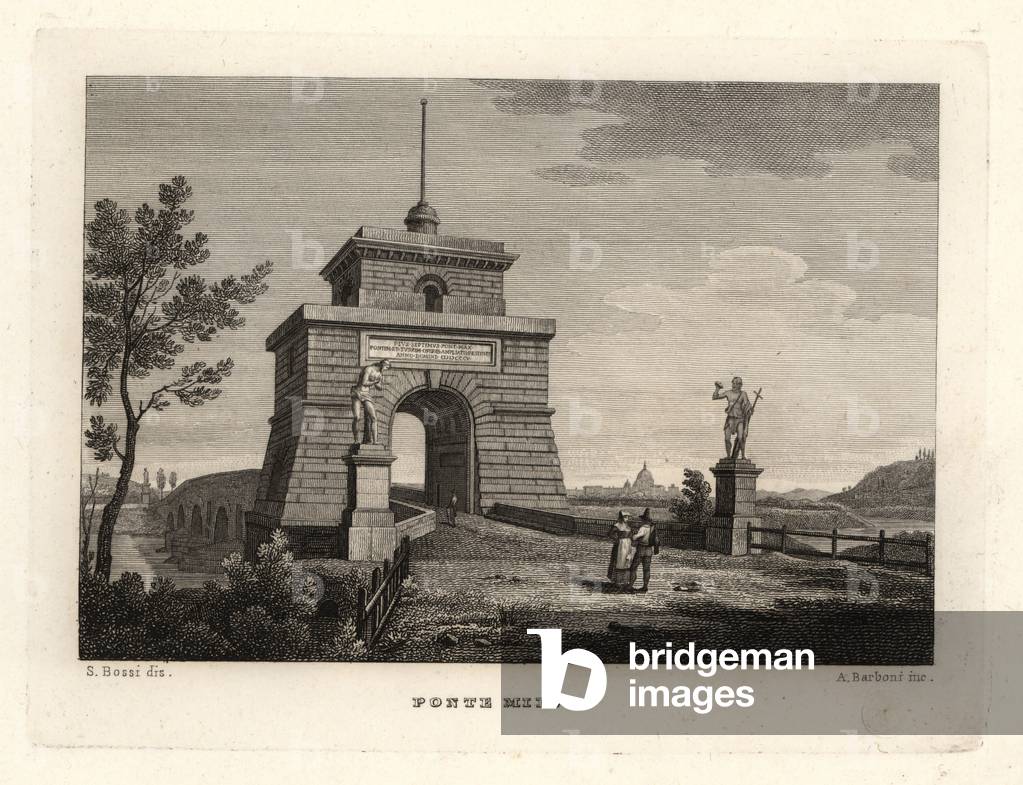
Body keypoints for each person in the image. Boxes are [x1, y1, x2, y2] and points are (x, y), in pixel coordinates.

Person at [351, 359, 392, 444]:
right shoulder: (369, 369)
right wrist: (375, 382)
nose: (385, 369)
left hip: (366, 394)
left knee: (374, 417)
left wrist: (380, 384)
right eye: (386, 367)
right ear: (382, 365)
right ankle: (356, 440)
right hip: (357, 393)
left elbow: (378, 387)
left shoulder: (380, 374)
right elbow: (364, 382)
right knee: (357, 417)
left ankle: (375, 441)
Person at [713, 376, 753, 458]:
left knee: (740, 438)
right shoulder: (728, 393)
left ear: (740, 385)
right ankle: (728, 456)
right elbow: (715, 397)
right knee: (727, 439)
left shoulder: (743, 394)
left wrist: (749, 409)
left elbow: (747, 407)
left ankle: (743, 456)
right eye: (733, 383)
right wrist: (717, 388)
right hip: (730, 419)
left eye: (736, 383)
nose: (734, 385)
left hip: (740, 419)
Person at [629, 508, 660, 593]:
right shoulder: (652, 528)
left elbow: (636, 537)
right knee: (646, 569)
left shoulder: (643, 528)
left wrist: (633, 536)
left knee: (633, 567)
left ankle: (630, 586)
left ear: (644, 520)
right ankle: (645, 586)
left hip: (641, 549)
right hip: (649, 550)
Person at [606, 511, 636, 591]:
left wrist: (631, 540)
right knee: (619, 563)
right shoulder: (617, 525)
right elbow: (610, 534)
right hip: (620, 546)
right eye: (625, 517)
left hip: (628, 545)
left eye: (627, 517)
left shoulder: (628, 526)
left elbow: (632, 535)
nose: (627, 518)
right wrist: (617, 539)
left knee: (627, 562)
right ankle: (617, 581)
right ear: (621, 517)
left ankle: (625, 581)